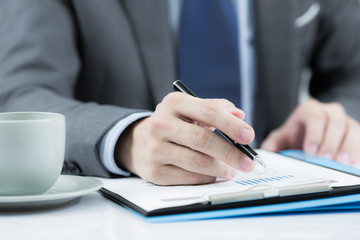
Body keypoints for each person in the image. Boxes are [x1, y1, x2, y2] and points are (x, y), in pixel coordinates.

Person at [0, 0, 360, 185]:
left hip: (284, 202)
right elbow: (20, 95)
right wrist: (127, 137)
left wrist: (336, 115)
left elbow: (353, 74)